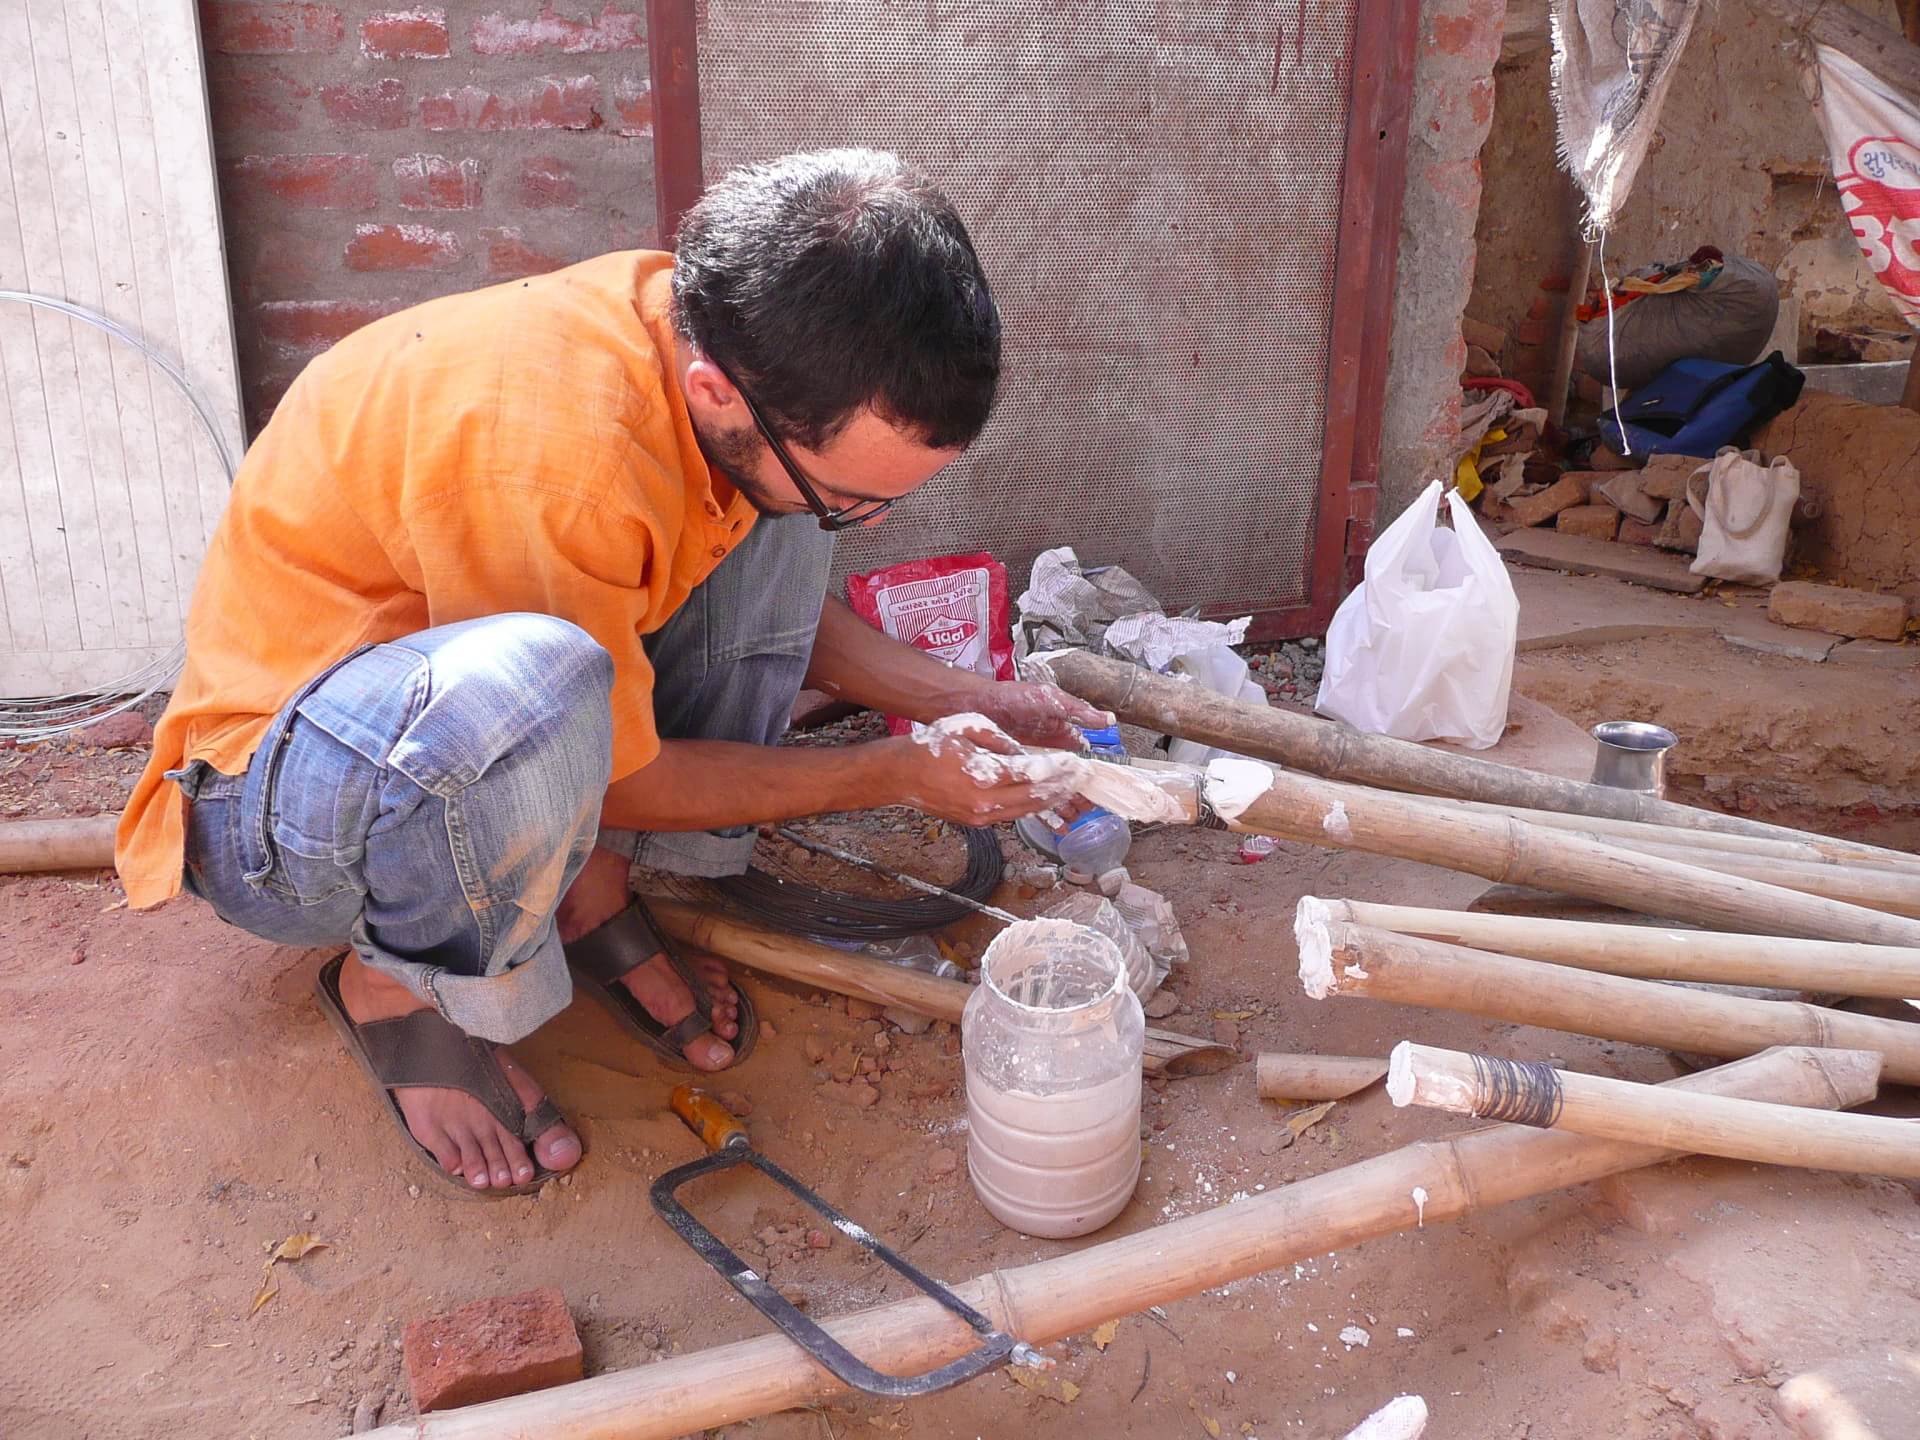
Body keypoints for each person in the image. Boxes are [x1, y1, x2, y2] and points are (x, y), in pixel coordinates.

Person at [115, 148, 1111, 1197]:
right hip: (278, 811)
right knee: (533, 687)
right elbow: (615, 773)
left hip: (469, 714)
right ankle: (395, 991)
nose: (864, 524)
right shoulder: (562, 458)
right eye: (856, 500)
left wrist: (966, 699)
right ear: (715, 389)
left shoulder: (698, 339)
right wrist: (898, 772)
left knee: (776, 519)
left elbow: (746, 572)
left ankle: (591, 891)